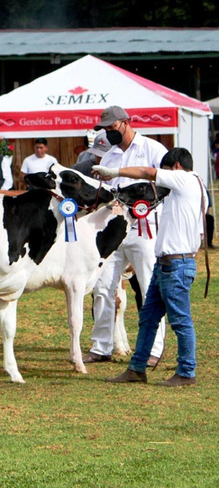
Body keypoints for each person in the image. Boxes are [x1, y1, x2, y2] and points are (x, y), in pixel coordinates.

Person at [100, 148, 206, 386]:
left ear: (176, 167)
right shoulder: (198, 186)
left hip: (175, 264)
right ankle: (137, 368)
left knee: (180, 320)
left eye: (165, 171)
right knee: (148, 318)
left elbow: (147, 172)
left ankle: (187, 372)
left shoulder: (183, 179)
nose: (162, 177)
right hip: (171, 263)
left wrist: (114, 171)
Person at [84, 105, 169, 366]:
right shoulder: (108, 157)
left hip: (145, 228)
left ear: (126, 122)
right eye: (105, 129)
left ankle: (154, 349)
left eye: (112, 128)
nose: (109, 133)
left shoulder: (153, 149)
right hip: (114, 229)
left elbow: (167, 184)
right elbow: (106, 191)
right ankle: (101, 346)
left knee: (149, 287)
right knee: (102, 287)